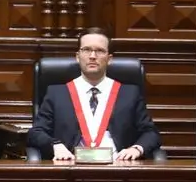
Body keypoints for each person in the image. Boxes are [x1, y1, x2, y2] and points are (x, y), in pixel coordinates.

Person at [27, 27, 161, 161]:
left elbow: (151, 133)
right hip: (71, 167)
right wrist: (55, 145)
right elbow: (36, 132)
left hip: (118, 167)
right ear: (78, 57)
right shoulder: (57, 93)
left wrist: (136, 148)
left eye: (100, 51)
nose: (92, 56)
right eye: (86, 50)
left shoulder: (129, 93)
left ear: (109, 59)